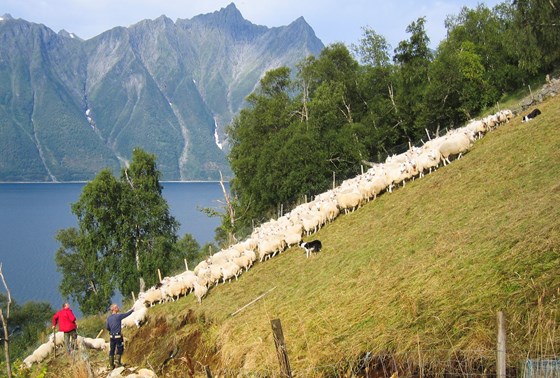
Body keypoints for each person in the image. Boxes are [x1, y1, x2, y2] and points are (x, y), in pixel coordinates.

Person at [106, 303, 133, 369]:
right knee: (120, 348)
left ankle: (111, 365)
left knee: (112, 350)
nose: (118, 308)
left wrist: (111, 330)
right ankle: (118, 362)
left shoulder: (109, 318)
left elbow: (107, 327)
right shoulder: (118, 316)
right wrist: (132, 310)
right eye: (116, 307)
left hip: (112, 337)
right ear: (114, 309)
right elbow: (126, 314)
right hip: (118, 336)